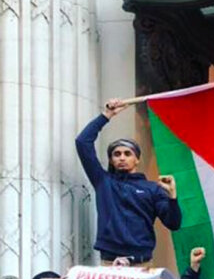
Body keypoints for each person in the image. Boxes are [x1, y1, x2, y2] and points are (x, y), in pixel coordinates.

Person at [76, 98, 181, 263]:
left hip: (142, 263)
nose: (122, 158)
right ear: (111, 160)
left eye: (127, 153)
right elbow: (82, 142)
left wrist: (172, 198)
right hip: (110, 263)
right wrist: (107, 115)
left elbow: (174, 224)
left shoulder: (153, 189)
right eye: (116, 154)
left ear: (137, 159)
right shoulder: (104, 181)